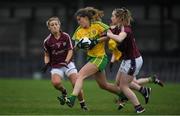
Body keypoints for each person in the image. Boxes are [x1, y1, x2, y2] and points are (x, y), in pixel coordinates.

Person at [106, 7, 148, 113]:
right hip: (127, 59)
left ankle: (139, 107)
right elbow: (108, 31)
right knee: (117, 83)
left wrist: (108, 34)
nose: (111, 17)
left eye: (113, 16)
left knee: (124, 86)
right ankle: (142, 91)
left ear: (119, 18)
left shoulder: (125, 29)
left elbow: (119, 38)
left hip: (133, 60)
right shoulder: (118, 27)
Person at [42, 16, 88, 111]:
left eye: (56, 24)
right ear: (49, 28)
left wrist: (66, 61)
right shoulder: (47, 41)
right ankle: (64, 91)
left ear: (59, 25)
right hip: (56, 65)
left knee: (76, 83)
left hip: (68, 64)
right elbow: (46, 55)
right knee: (56, 83)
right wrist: (46, 63)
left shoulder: (65, 36)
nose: (54, 26)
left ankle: (83, 105)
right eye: (52, 25)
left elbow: (70, 50)